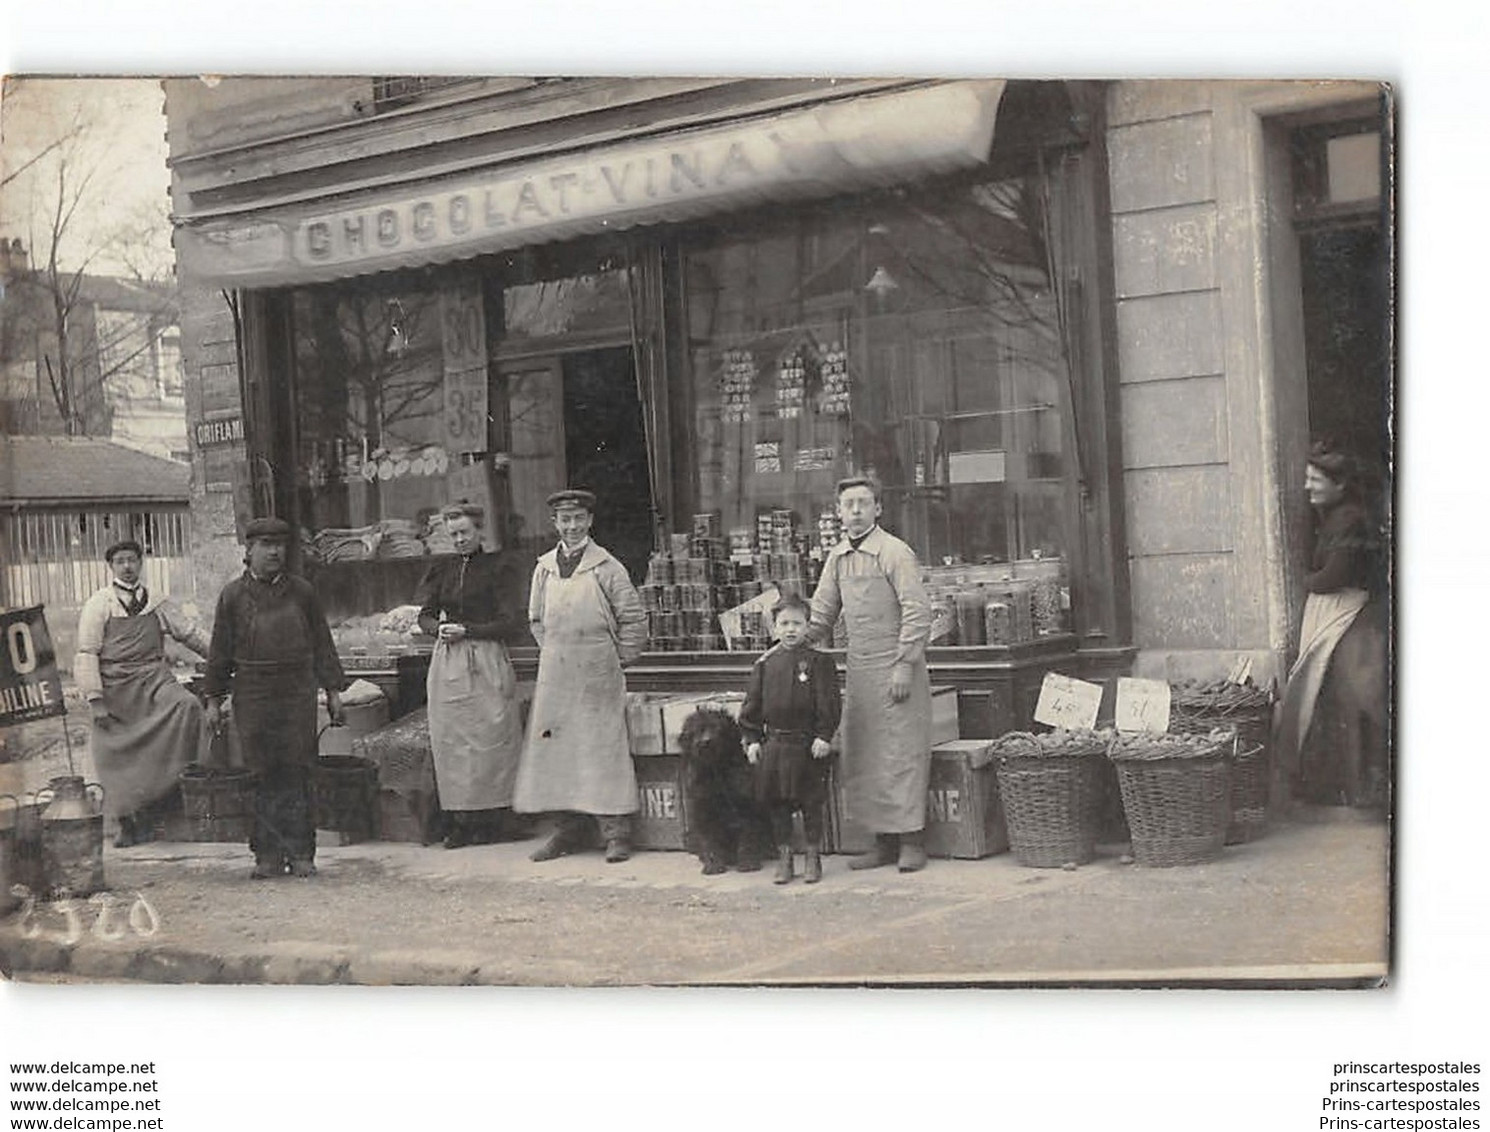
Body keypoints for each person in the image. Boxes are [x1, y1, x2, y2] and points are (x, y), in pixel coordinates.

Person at [203, 518, 348, 878]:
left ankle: (301, 852)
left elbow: (322, 644)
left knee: (298, 770)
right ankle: (266, 854)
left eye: (280, 545)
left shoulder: (302, 592)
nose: (274, 552)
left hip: (297, 689)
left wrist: (333, 692)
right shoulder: (232, 596)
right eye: (266, 545)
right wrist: (212, 699)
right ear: (248, 551)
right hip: (252, 691)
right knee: (260, 773)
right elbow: (219, 651)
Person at [513, 489, 648, 864]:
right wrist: (557, 654)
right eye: (564, 520)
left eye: (578, 519)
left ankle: (616, 833)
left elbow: (634, 621)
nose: (571, 527)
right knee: (559, 752)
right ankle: (567, 831)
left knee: (603, 751)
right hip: (557, 673)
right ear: (555, 523)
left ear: (589, 521)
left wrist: (615, 661)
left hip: (598, 671)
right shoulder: (544, 568)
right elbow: (536, 619)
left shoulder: (607, 567)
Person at [808, 475, 933, 873]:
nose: (856, 511)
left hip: (898, 669)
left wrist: (904, 664)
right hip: (860, 670)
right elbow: (823, 611)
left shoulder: (895, 552)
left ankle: (912, 841)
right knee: (866, 755)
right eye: (849, 504)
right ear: (840, 512)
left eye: (864, 503)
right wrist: (792, 638)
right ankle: (881, 842)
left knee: (902, 754)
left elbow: (917, 610)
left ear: (878, 508)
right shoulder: (837, 558)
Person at [74, 539, 211, 848]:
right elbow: (86, 653)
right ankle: (125, 818)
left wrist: (222, 655)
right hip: (115, 685)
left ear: (141, 563)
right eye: (121, 561)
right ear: (111, 567)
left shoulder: (156, 601)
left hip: (153, 679)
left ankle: (169, 799)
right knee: (111, 745)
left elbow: (189, 633)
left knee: (187, 705)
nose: (127, 566)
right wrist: (96, 700)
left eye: (132, 560)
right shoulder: (99, 603)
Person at [1274, 441, 1388, 809]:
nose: (1307, 486)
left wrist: (1302, 579)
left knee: (1320, 683)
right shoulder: (1336, 515)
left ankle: (1348, 784)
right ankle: (1337, 782)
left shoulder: (1348, 518)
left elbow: (1333, 576)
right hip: (1334, 605)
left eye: (1315, 479)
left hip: (1344, 606)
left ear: (1338, 485)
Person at [417, 502, 529, 849]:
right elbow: (425, 615)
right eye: (453, 535)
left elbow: (513, 623)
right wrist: (439, 628)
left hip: (486, 655)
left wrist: (469, 629)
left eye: (465, 532)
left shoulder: (499, 567)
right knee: (455, 742)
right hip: (449, 662)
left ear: (481, 531)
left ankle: (495, 821)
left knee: (492, 738)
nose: (460, 540)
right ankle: (461, 822)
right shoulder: (442, 568)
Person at [740, 593, 841, 885]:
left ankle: (812, 856)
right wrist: (753, 739)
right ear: (774, 627)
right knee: (778, 804)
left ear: (808, 626)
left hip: (808, 746)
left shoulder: (820, 663)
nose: (790, 629)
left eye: (797, 623)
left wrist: (824, 735)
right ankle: (785, 857)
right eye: (784, 623)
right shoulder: (765, 664)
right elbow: (751, 707)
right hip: (775, 745)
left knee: (810, 802)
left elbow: (830, 703)